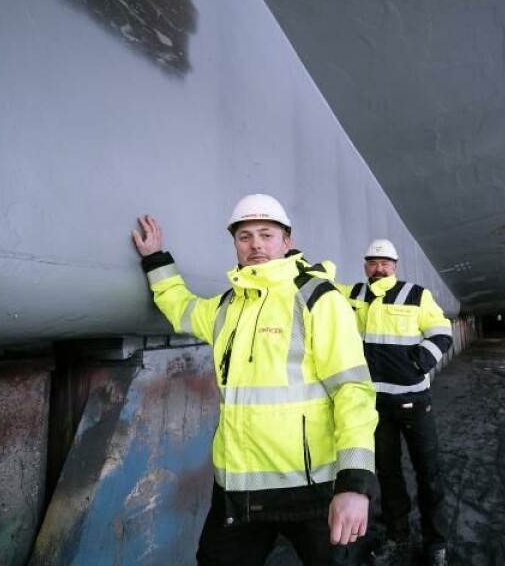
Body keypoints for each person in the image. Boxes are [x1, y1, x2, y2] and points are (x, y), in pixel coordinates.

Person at [131, 194, 378, 566]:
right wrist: (155, 260)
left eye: (266, 234)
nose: (256, 245)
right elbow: (182, 308)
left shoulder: (317, 300)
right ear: (235, 244)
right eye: (244, 236)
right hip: (239, 490)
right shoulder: (227, 307)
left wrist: (355, 484)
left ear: (287, 241)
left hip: (313, 490)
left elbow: (352, 390)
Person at [338, 239, 453, 566]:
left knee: (428, 473)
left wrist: (418, 363)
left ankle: (436, 544)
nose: (379, 268)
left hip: (414, 403)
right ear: (365, 265)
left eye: (385, 263)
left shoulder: (416, 295)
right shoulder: (354, 294)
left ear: (395, 266)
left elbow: (442, 333)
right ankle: (397, 536)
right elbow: (323, 289)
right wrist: (298, 264)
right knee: (387, 475)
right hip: (375, 405)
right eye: (373, 263)